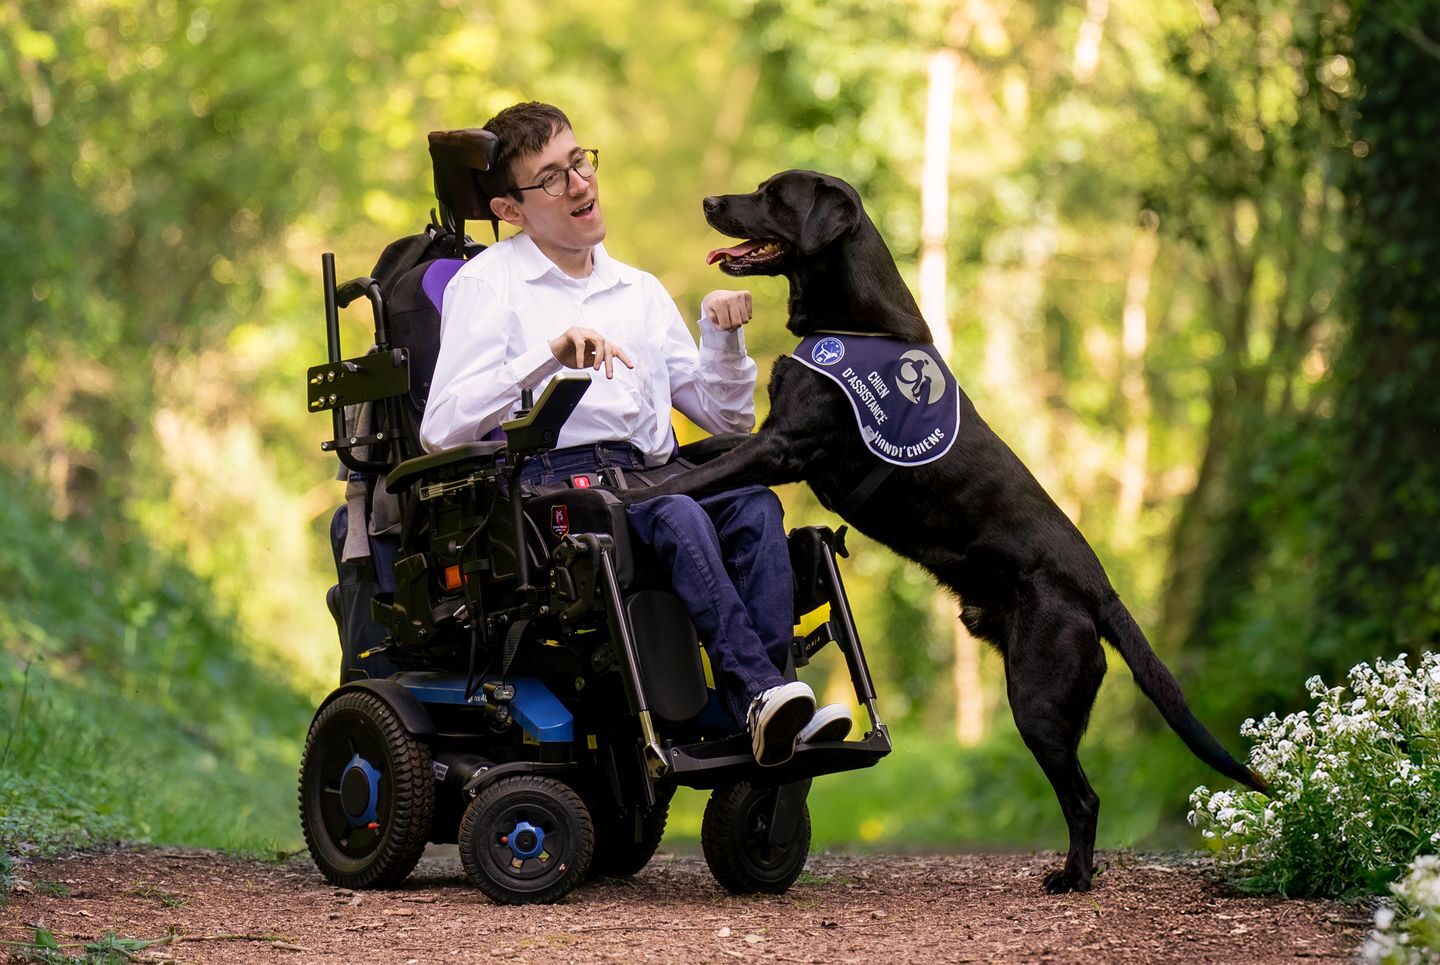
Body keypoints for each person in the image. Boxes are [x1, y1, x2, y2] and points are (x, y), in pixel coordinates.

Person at [419, 102, 852, 767]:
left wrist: (723, 338)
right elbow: (441, 428)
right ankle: (760, 694)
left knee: (754, 504)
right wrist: (546, 355)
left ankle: (771, 707)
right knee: (676, 511)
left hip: (651, 474)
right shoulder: (488, 284)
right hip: (551, 490)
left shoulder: (639, 291)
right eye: (553, 178)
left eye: (580, 162)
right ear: (511, 209)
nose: (581, 185)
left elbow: (727, 419)